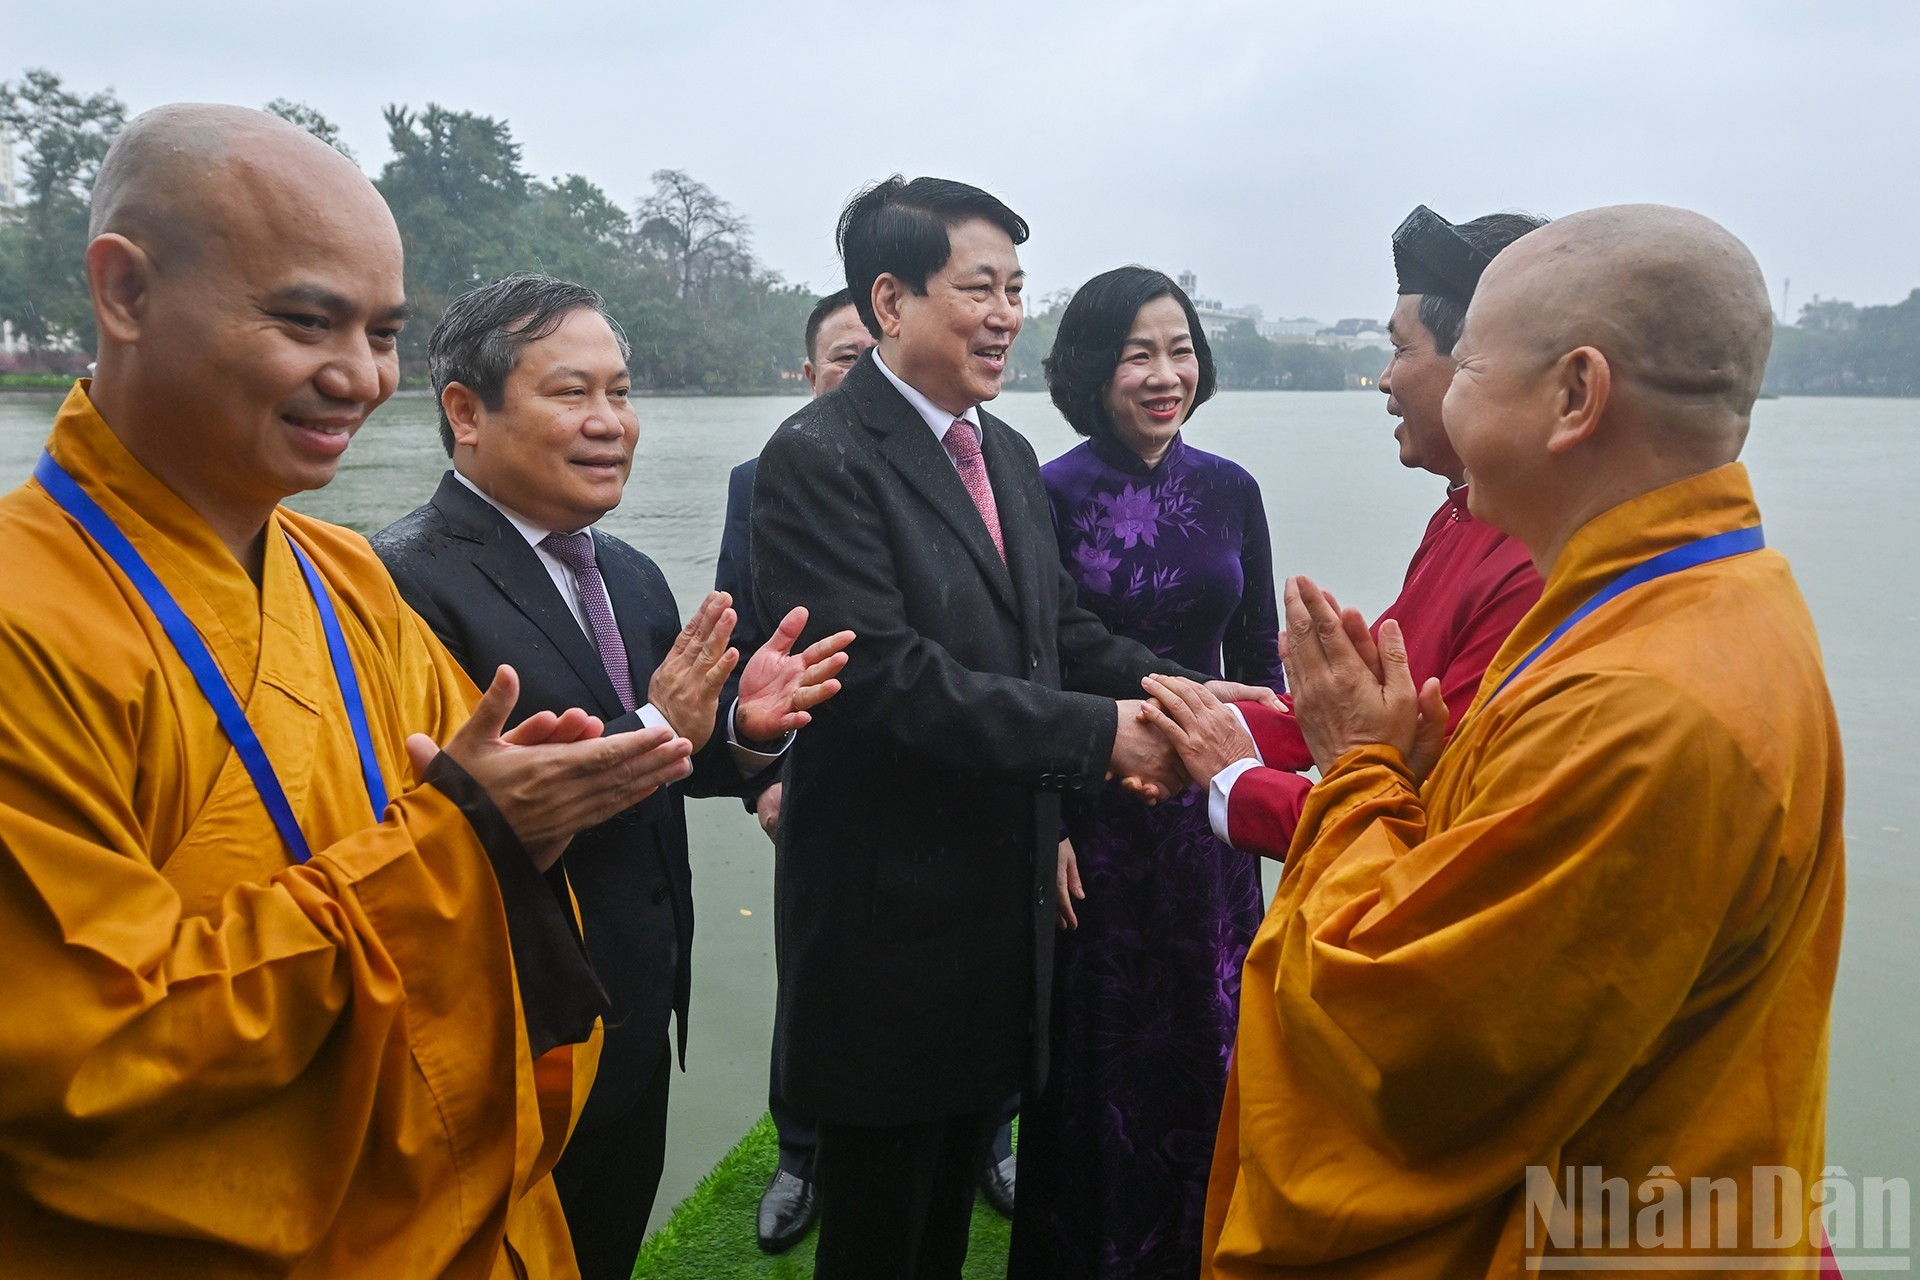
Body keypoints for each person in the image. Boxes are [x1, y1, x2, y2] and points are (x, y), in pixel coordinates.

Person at [0, 105, 698, 1277]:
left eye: (382, 332)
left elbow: (479, 834)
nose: (361, 377)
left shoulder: (343, 575)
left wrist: (551, 796)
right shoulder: (27, 617)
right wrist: (471, 836)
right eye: (306, 320)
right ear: (122, 294)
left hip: (458, 1208)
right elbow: (89, 1049)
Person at [1143, 205, 1845, 1276]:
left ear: (1576, 395)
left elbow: (1407, 1033)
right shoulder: (1685, 598)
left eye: (1463, 361)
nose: (1403, 382)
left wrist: (1364, 766)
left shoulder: (1646, 710)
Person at [750, 176, 1260, 1280]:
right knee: (886, 1233)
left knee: (947, 1215)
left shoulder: (1005, 456)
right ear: (889, 301)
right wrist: (1102, 737)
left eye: (1016, 288)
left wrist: (1196, 697)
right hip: (893, 927)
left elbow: (1062, 631)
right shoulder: (819, 456)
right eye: (977, 287)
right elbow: (886, 676)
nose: (1004, 314)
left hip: (1005, 914)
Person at [372, 273, 852, 1280]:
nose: (611, 424)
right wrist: (657, 721)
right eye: (571, 394)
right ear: (464, 410)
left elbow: (676, 759)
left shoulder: (622, 570)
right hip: (514, 1037)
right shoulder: (404, 584)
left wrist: (747, 732)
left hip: (633, 1013)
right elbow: (448, 826)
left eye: (622, 393)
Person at [1009, 266, 1284, 1280]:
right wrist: (1051, 824)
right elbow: (1031, 666)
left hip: (1208, 820)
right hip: (1098, 810)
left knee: (1211, 1027)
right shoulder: (1043, 492)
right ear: (1091, 367)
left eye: (1180, 349)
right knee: (1099, 1047)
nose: (1166, 374)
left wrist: (1263, 793)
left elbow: (1258, 665)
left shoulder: (1232, 489)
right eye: (1138, 352)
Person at [1207, 207, 1545, 858]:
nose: (1385, 380)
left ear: (1482, 362)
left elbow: (1434, 819)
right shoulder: (1461, 514)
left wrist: (1231, 780)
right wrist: (1208, 724)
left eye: (1399, 349)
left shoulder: (1536, 560)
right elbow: (1369, 698)